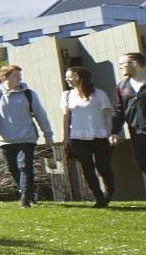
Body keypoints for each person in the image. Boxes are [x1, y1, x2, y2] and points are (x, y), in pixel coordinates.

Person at [0, 64, 55, 207]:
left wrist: (48, 134)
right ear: (5, 77)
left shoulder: (29, 94)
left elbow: (41, 115)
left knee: (25, 167)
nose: (19, 78)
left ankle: (25, 200)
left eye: (20, 76)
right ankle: (29, 193)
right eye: (16, 75)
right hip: (6, 139)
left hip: (27, 137)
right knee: (13, 169)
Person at [62, 65, 116, 207]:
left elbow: (108, 114)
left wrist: (110, 133)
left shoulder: (99, 94)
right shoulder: (66, 95)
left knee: (103, 166)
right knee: (87, 167)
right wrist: (66, 136)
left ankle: (109, 192)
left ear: (79, 77)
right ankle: (98, 197)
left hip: (100, 135)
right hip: (78, 136)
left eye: (70, 76)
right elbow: (66, 116)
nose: (67, 79)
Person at [110, 53, 146, 197]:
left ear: (134, 63)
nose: (120, 67)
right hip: (137, 134)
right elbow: (119, 111)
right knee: (143, 165)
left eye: (122, 63)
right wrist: (114, 131)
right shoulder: (121, 87)